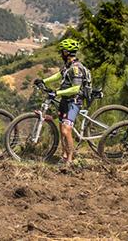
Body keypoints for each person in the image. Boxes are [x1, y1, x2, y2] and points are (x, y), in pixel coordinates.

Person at [34, 38, 90, 167]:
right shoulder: (67, 66)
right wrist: (43, 81)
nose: (61, 54)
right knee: (61, 129)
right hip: (65, 100)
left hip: (74, 101)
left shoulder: (76, 68)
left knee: (66, 130)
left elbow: (76, 88)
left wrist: (57, 93)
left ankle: (70, 159)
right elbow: (59, 76)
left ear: (66, 52)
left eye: (61, 52)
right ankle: (64, 155)